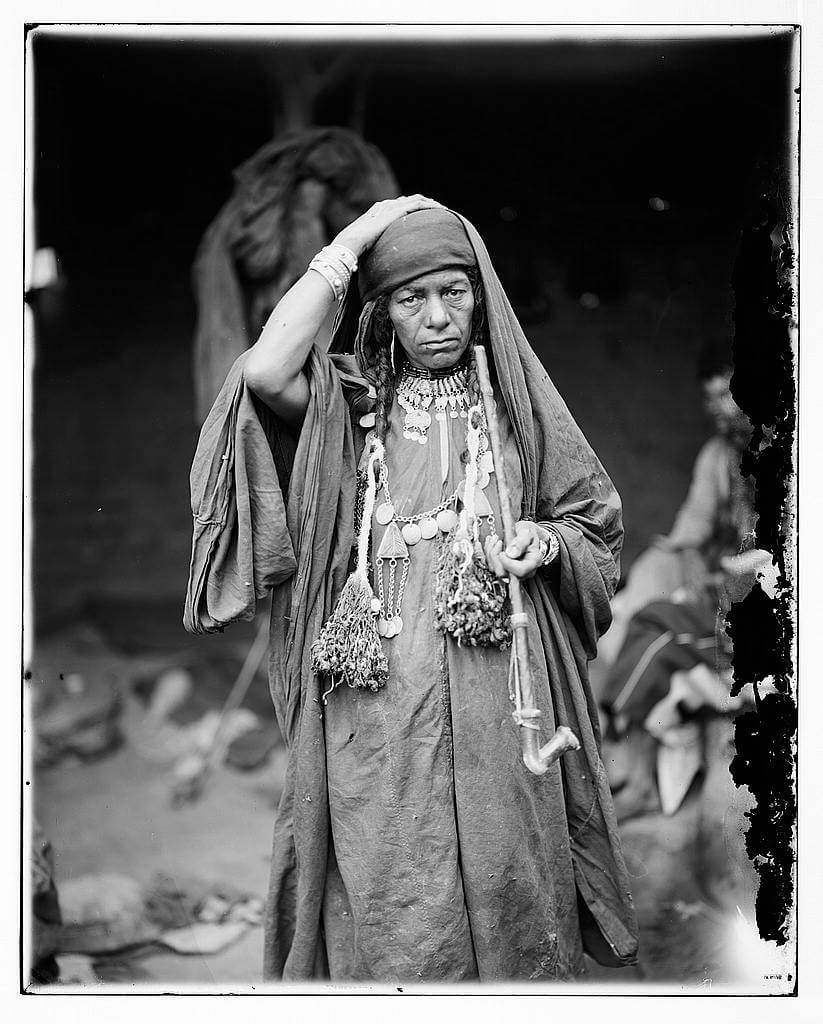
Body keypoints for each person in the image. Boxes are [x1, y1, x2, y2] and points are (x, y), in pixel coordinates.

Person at [185, 195, 638, 982]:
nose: (435, 317)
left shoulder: (519, 408)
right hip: (377, 693)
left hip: (500, 690)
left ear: (479, 296)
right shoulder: (352, 402)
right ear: (382, 310)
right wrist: (358, 236)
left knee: (510, 866)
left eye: (453, 292)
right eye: (409, 298)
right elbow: (263, 370)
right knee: (393, 865)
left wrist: (543, 542)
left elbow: (591, 525)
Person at [596, 348, 764, 820]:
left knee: (656, 632)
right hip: (724, 590)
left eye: (727, 395)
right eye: (710, 398)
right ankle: (635, 766)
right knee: (636, 608)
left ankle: (628, 752)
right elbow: (693, 526)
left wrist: (720, 579)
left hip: (761, 608)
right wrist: (688, 572)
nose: (718, 409)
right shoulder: (719, 454)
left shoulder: (790, 451)